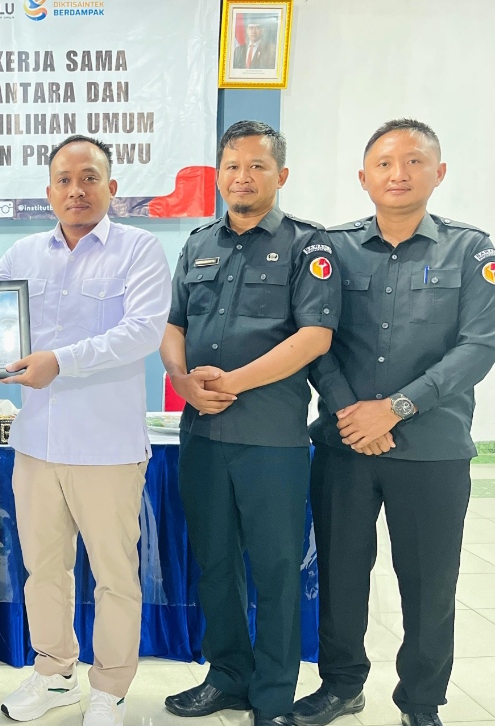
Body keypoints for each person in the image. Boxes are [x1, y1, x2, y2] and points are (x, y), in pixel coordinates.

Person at [0, 134, 172, 726]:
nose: (76, 190)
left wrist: (60, 361)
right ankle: (55, 673)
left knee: (115, 577)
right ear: (49, 191)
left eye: (89, 178)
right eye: (64, 179)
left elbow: (142, 332)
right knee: (44, 571)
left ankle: (110, 690)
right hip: (37, 445)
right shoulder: (24, 254)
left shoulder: (140, 250)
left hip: (107, 447)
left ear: (112, 187)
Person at [295, 119, 495, 726]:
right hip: (346, 447)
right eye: (384, 164)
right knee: (341, 576)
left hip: (433, 449)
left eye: (413, 162)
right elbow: (315, 341)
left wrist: (396, 408)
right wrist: (351, 414)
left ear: (439, 172)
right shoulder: (331, 249)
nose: (398, 174)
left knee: (430, 586)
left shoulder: (474, 251)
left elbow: (479, 346)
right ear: (364, 177)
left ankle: (421, 701)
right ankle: (341, 685)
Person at [159, 120, 340, 726]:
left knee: (276, 569)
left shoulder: (308, 246)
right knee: (215, 564)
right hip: (202, 435)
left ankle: (273, 695)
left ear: (280, 175)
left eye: (257, 166)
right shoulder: (197, 244)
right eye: (232, 166)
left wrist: (232, 382)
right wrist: (181, 379)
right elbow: (174, 325)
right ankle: (227, 677)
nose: (243, 177)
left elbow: (314, 337)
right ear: (219, 175)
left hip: (271, 440)